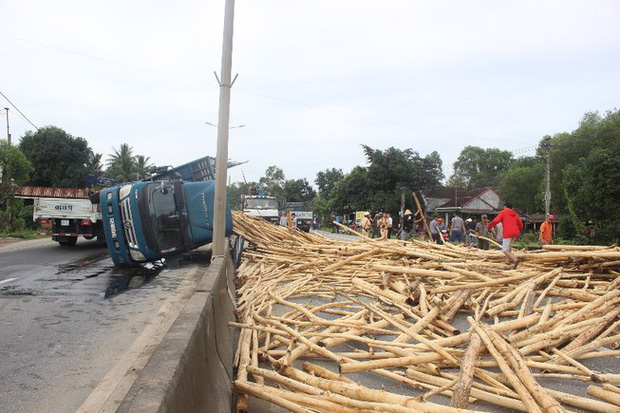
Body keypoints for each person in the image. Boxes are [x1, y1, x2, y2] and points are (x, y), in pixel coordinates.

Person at [488, 202, 523, 267]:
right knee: (508, 246)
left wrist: (489, 226)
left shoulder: (503, 212)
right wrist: (518, 230)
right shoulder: (515, 213)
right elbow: (521, 224)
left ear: (505, 207)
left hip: (508, 233)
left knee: (504, 250)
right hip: (515, 233)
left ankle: (515, 259)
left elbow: (496, 221)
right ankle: (507, 261)